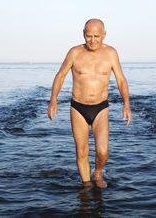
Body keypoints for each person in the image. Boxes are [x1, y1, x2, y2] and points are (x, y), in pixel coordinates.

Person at [47, 18, 132, 188]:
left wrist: (126, 104)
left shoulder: (111, 53)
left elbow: (121, 80)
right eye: (88, 36)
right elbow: (61, 75)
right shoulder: (74, 52)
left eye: (96, 36)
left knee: (102, 152)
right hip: (78, 107)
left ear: (104, 35)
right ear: (83, 34)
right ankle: (86, 186)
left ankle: (98, 172)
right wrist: (53, 100)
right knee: (82, 151)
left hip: (100, 108)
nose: (92, 40)